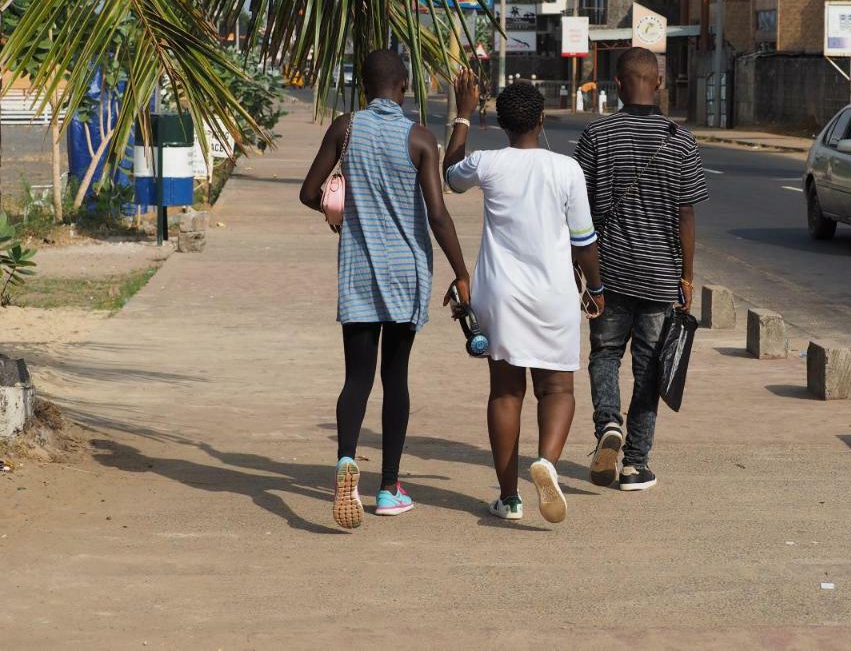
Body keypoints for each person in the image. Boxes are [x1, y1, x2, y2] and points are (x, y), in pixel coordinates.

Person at [300, 50, 472, 530]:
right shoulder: (418, 138)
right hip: (405, 273)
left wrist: (340, 216)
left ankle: (345, 464)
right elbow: (437, 214)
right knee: (395, 380)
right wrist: (461, 270)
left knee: (357, 378)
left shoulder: (345, 128)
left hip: (357, 271)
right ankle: (390, 488)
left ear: (365, 87)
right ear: (403, 87)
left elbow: (309, 192)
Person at [444, 74, 604, 524]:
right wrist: (595, 289)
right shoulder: (566, 169)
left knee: (506, 391)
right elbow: (584, 242)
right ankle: (548, 463)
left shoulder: (488, 162)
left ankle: (509, 497)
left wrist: (462, 113)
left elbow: (450, 174)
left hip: (501, 294)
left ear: (500, 124)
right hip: (554, 293)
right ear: (540, 119)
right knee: (557, 388)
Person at [575, 48, 708, 492]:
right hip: (659, 275)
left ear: (617, 84)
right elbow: (686, 216)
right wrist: (686, 278)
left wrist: (582, 272)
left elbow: (579, 212)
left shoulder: (596, 136)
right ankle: (635, 464)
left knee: (605, 355)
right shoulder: (681, 140)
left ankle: (608, 426)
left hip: (608, 274)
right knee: (649, 368)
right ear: (659, 85)